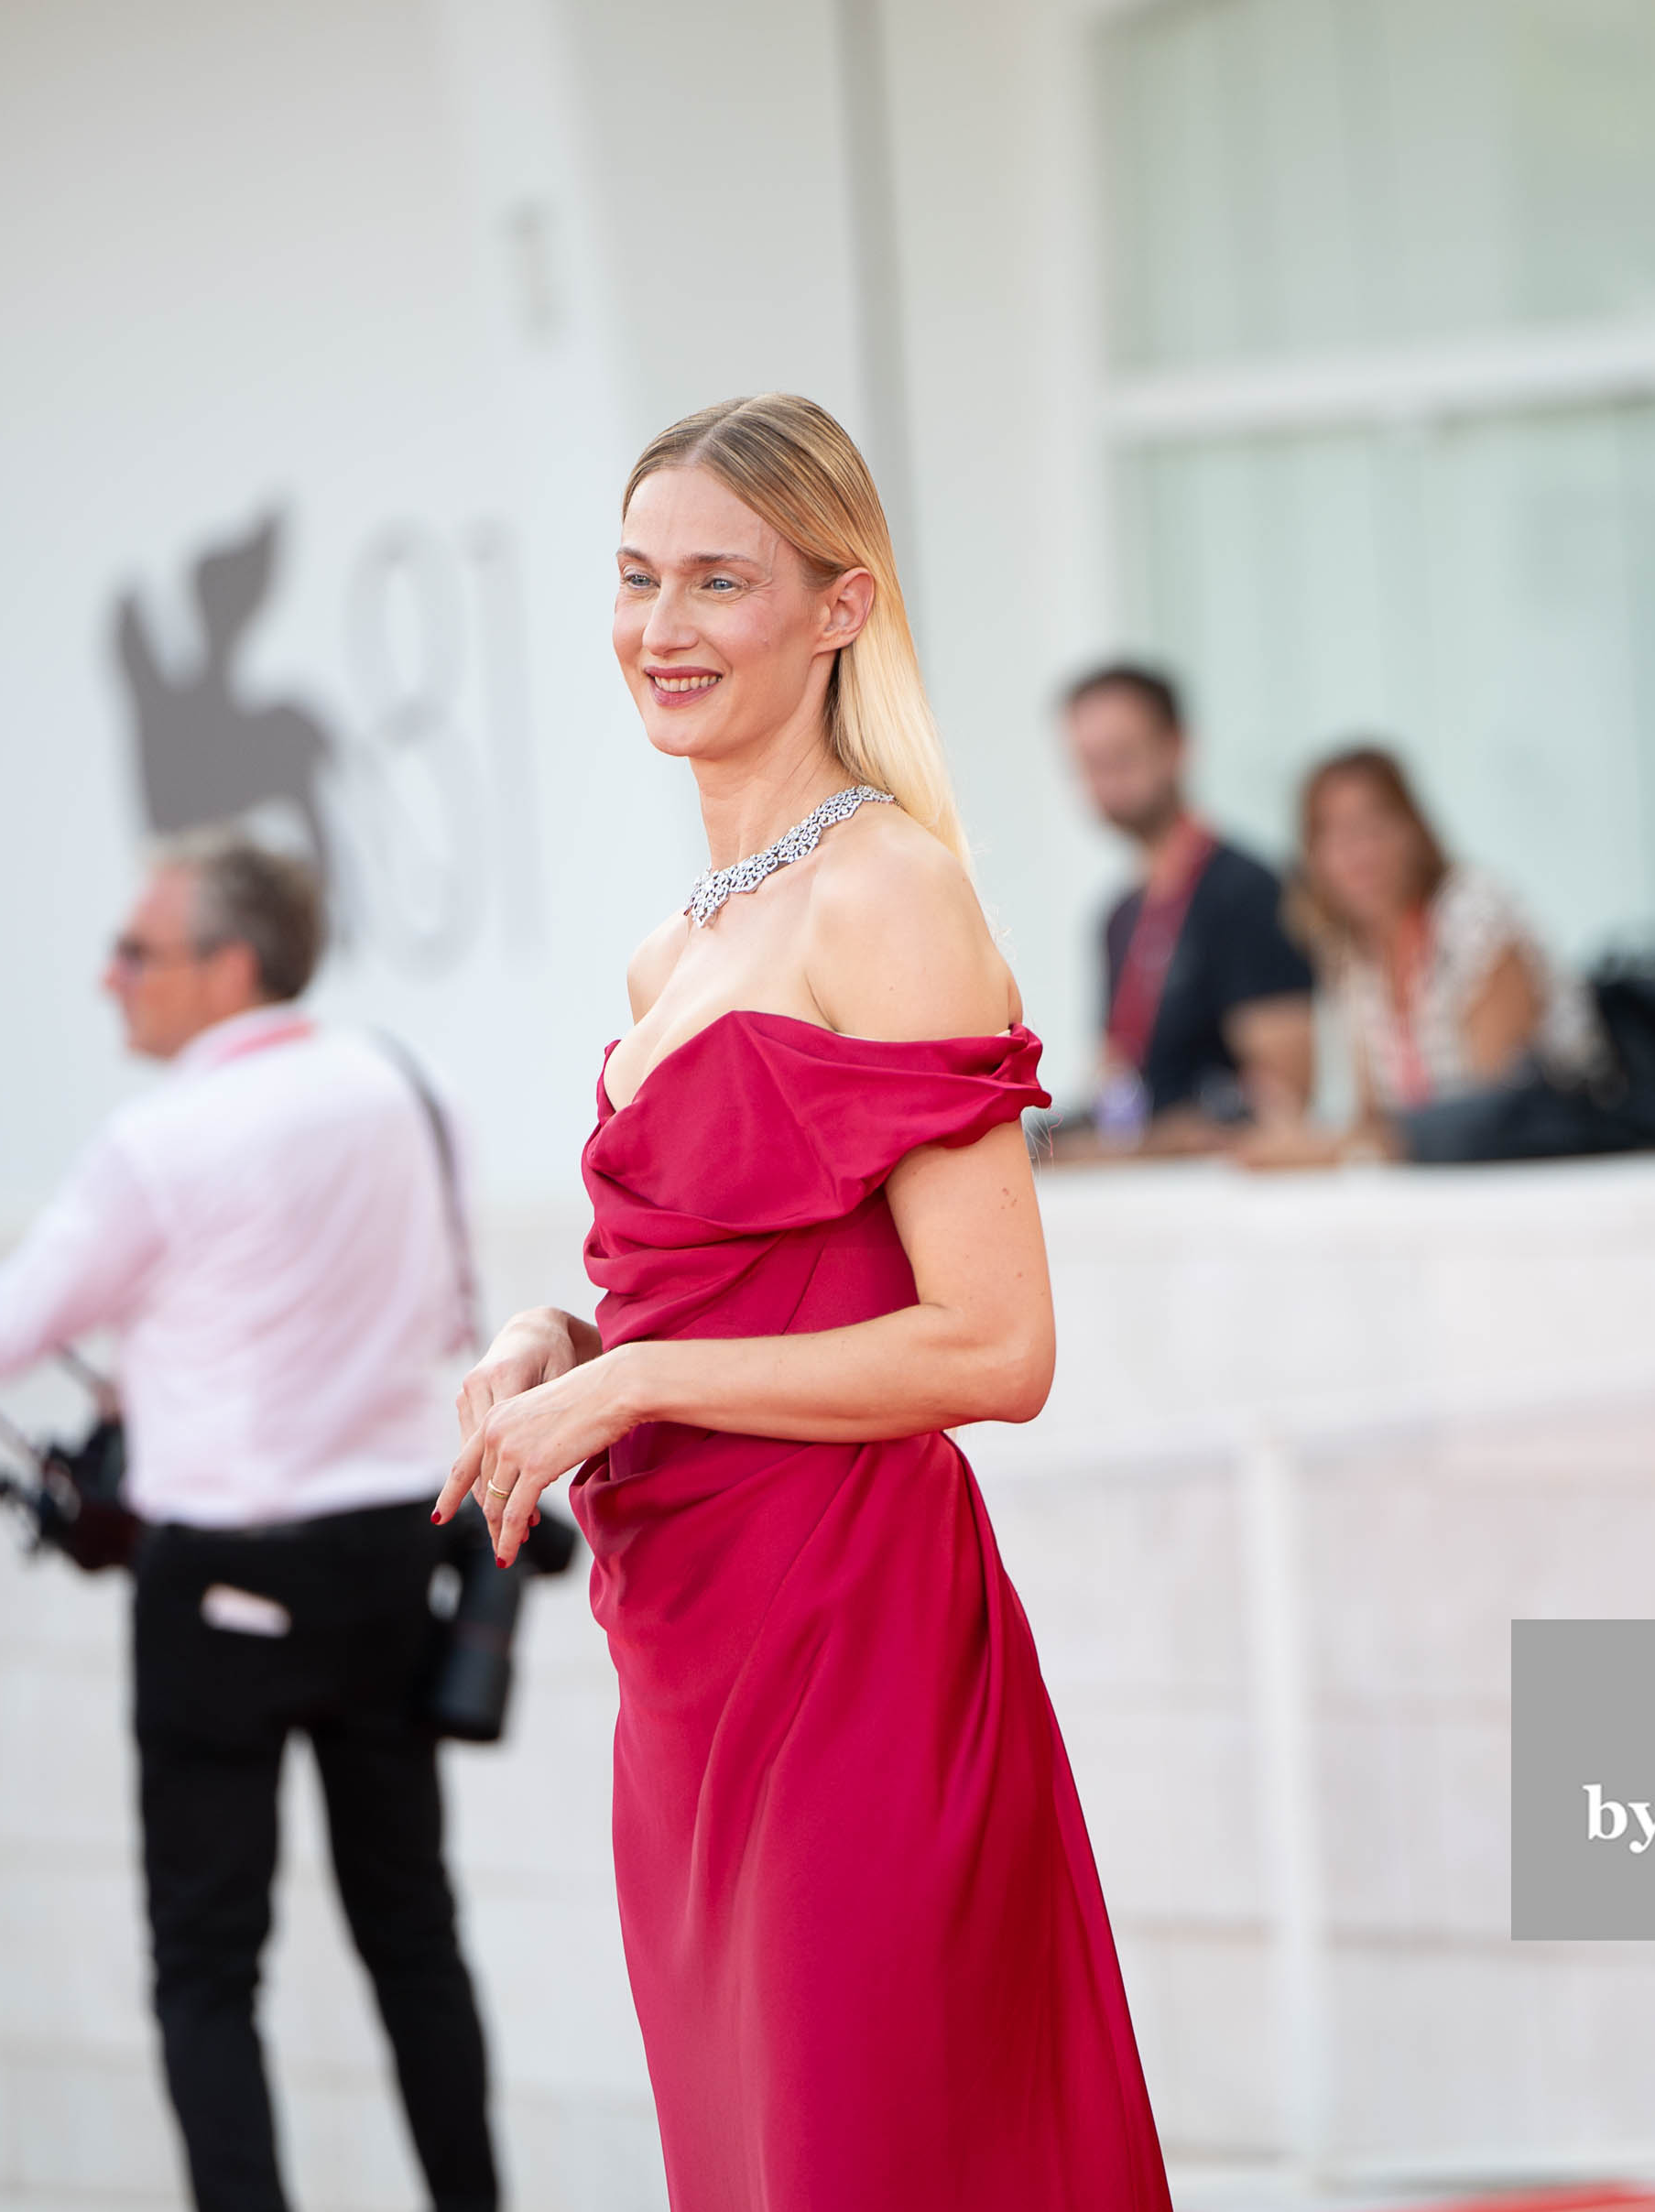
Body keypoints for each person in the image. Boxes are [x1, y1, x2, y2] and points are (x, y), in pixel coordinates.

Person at [434, 394, 1171, 2210]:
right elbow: (740, 1287)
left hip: (851, 1639)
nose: (658, 626)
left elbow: (997, 1348)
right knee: (757, 2157)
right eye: (632, 578)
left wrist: (627, 1387)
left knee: (870, 2152)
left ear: (836, 608)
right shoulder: (667, 949)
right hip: (681, 1647)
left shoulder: (892, 895)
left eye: (714, 580)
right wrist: (565, 1345)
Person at [0, 838, 499, 2212]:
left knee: (205, 1964)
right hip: (390, 1548)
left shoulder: (161, 1139)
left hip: (221, 1583)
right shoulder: (401, 1088)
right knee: (414, 1934)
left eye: (138, 952)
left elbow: (1, 1326)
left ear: (230, 965)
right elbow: (444, 1319)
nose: (108, 977)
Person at [1238, 743, 1614, 1165]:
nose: (1355, 853)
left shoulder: (1474, 914)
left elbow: (1491, 1109)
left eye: (1371, 826)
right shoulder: (1350, 953)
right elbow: (1373, 1113)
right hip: (1448, 1182)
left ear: (1413, 829)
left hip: (1564, 1165)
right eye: (1331, 834)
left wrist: (1333, 1150)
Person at [1051, 661, 1315, 1152]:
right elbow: (1115, 1075)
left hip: (1225, 1196)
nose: (1106, 780)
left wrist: (1145, 1145)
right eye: (1089, 763)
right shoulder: (1116, 916)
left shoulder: (1247, 890)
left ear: (1177, 748)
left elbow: (1285, 1096)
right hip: (1150, 1186)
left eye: (1123, 756)